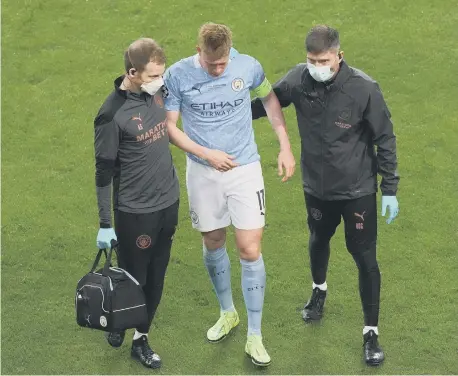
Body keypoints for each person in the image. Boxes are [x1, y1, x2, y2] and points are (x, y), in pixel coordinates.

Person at [251, 24, 400, 366]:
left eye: (322, 60)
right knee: (318, 238)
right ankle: (319, 290)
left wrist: (389, 188)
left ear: (339, 56)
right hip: (316, 189)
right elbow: (266, 103)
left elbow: (385, 139)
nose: (316, 66)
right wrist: (225, 112)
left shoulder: (364, 89)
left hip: (357, 190)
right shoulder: (298, 80)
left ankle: (370, 332)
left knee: (365, 258)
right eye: (310, 59)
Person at [162, 22, 296, 367]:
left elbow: (269, 98)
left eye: (222, 64)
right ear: (198, 51)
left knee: (250, 249)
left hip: (245, 169)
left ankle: (255, 335)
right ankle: (227, 312)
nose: (217, 70)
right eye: (211, 64)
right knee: (213, 242)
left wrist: (285, 146)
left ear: (230, 52)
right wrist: (208, 155)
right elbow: (170, 127)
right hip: (203, 172)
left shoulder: (248, 66)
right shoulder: (177, 76)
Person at [93, 38, 180, 369]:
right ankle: (116, 318)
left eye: (162, 73)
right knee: (134, 278)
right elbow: (103, 173)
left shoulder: (157, 90)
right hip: (135, 212)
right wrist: (105, 223)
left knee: (157, 278)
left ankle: (140, 340)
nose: (161, 80)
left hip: (168, 203)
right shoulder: (111, 115)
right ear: (132, 72)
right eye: (154, 74)